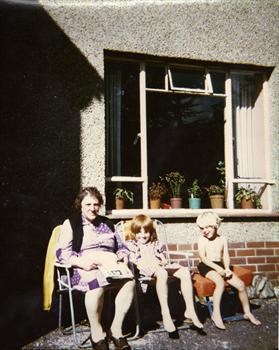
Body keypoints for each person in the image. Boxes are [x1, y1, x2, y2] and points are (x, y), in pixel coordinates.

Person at [56, 187, 135, 350]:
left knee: (130, 282)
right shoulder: (71, 224)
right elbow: (61, 253)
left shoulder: (107, 223)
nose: (93, 208)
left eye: (96, 204)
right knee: (96, 284)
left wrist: (123, 255)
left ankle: (116, 329)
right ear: (80, 205)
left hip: (110, 266)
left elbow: (121, 246)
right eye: (88, 204)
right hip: (84, 267)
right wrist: (81, 263)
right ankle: (97, 333)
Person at [126, 214, 205, 339]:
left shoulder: (155, 243)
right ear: (134, 233)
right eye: (139, 232)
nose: (143, 235)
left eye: (146, 231)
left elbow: (162, 256)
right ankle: (166, 313)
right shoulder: (132, 244)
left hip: (160, 266)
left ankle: (190, 311)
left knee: (184, 271)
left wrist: (162, 261)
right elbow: (133, 261)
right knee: (162, 273)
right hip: (146, 268)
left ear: (150, 231)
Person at [196, 211, 261, 330]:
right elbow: (203, 259)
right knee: (220, 283)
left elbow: (225, 256)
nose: (204, 230)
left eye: (207, 227)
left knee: (240, 285)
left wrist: (226, 268)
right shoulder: (202, 240)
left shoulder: (223, 239)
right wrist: (219, 269)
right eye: (202, 228)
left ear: (215, 225)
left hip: (220, 265)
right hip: (206, 266)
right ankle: (216, 314)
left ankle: (247, 313)